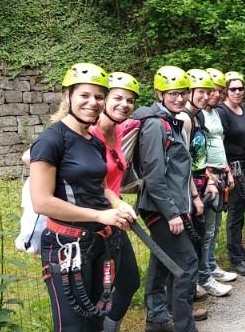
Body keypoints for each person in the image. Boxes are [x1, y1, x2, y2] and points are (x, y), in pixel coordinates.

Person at [31, 63, 137, 332]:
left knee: (95, 320)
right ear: (68, 95)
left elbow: (102, 188)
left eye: (99, 97)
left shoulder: (95, 141)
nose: (93, 102)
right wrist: (100, 215)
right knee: (73, 326)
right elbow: (41, 201)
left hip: (97, 242)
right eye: (85, 95)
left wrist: (118, 203)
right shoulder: (51, 140)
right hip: (65, 245)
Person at [132, 66, 199, 332]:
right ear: (160, 94)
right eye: (173, 94)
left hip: (168, 204)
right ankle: (185, 326)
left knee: (161, 260)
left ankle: (157, 319)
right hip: (159, 207)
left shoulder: (171, 121)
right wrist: (172, 213)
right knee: (187, 263)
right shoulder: (155, 125)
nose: (179, 99)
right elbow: (154, 176)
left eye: (183, 93)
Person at [87, 71, 141, 332]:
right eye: (118, 98)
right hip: (91, 220)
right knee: (97, 291)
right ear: (104, 100)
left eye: (130, 100)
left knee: (129, 281)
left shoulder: (119, 130)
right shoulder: (89, 132)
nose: (124, 104)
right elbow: (32, 155)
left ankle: (110, 326)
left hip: (115, 218)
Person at [178, 69, 233, 300]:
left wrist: (210, 177)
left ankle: (206, 272)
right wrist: (195, 192)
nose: (207, 96)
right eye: (200, 91)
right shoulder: (184, 119)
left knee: (209, 230)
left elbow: (198, 156)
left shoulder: (197, 117)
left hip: (204, 182)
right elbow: (184, 160)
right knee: (201, 234)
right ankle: (202, 278)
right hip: (192, 187)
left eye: (208, 92)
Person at [195, 68, 241, 290]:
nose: (216, 95)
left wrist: (227, 171)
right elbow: (197, 150)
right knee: (207, 229)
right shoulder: (198, 116)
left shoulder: (214, 113)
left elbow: (218, 144)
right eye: (212, 90)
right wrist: (209, 175)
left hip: (220, 172)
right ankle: (203, 275)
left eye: (220, 91)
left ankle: (211, 265)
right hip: (208, 175)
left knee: (215, 227)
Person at [216, 71, 245, 277]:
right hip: (233, 167)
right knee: (234, 212)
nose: (237, 92)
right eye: (233, 89)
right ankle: (235, 258)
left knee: (242, 207)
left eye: (240, 88)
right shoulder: (222, 112)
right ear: (226, 91)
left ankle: (239, 246)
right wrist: (226, 171)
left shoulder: (242, 109)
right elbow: (219, 144)